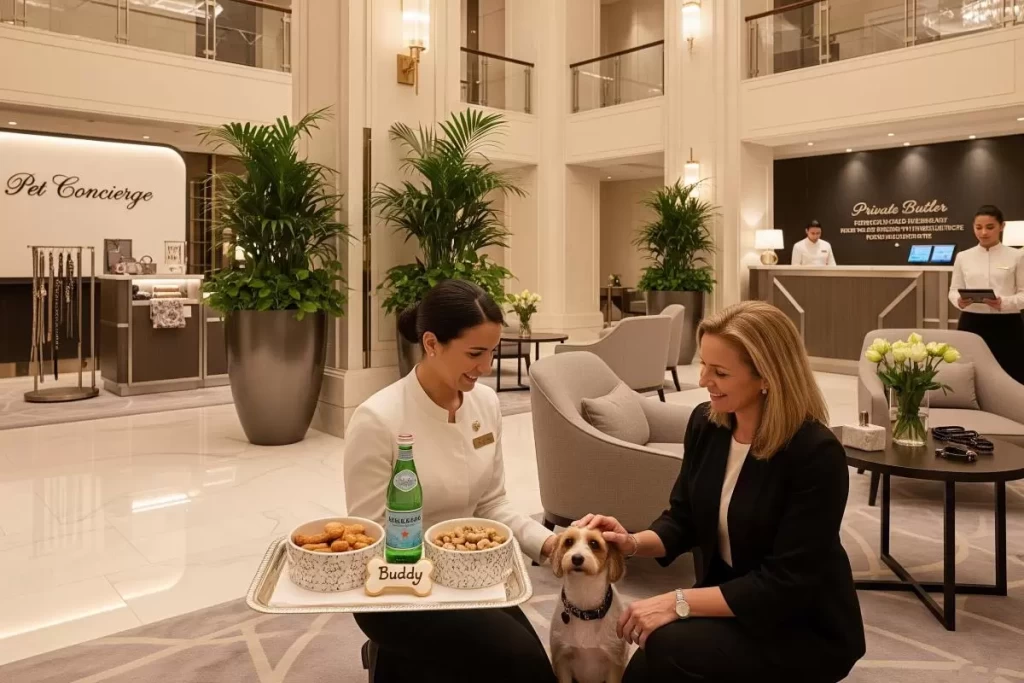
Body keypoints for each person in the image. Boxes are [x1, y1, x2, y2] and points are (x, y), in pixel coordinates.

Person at [579, 300, 865, 683]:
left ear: (767, 377)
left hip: (800, 623)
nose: (701, 380)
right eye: (703, 365)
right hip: (730, 597)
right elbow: (683, 519)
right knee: (650, 659)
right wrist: (629, 542)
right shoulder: (707, 424)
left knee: (666, 643)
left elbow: (785, 584)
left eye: (720, 372)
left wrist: (677, 601)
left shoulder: (816, 453)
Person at [343, 279, 558, 683]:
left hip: (469, 575)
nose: (486, 366)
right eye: (475, 353)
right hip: (397, 584)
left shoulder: (485, 403)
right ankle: (389, 651)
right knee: (519, 662)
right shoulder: (378, 418)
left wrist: (547, 544)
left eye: (492, 352)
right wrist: (449, 564)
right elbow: (369, 538)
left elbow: (492, 504)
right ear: (431, 343)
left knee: (532, 662)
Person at [949, 204, 1024, 384]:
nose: (983, 232)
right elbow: (952, 290)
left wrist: (1003, 302)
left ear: (1001, 226)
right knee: (969, 376)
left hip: (1007, 324)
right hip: (971, 322)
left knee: (1011, 374)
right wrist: (958, 301)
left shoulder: (1017, 256)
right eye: (978, 227)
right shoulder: (963, 257)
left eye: (990, 227)